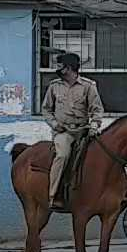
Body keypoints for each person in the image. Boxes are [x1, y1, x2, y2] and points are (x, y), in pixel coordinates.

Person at [42, 52, 105, 209]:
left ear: (68, 68)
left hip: (83, 131)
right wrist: (55, 124)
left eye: (60, 65)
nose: (57, 68)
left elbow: (97, 110)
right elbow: (46, 109)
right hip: (64, 132)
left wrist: (94, 126)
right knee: (63, 155)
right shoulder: (54, 86)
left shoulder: (88, 86)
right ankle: (53, 195)